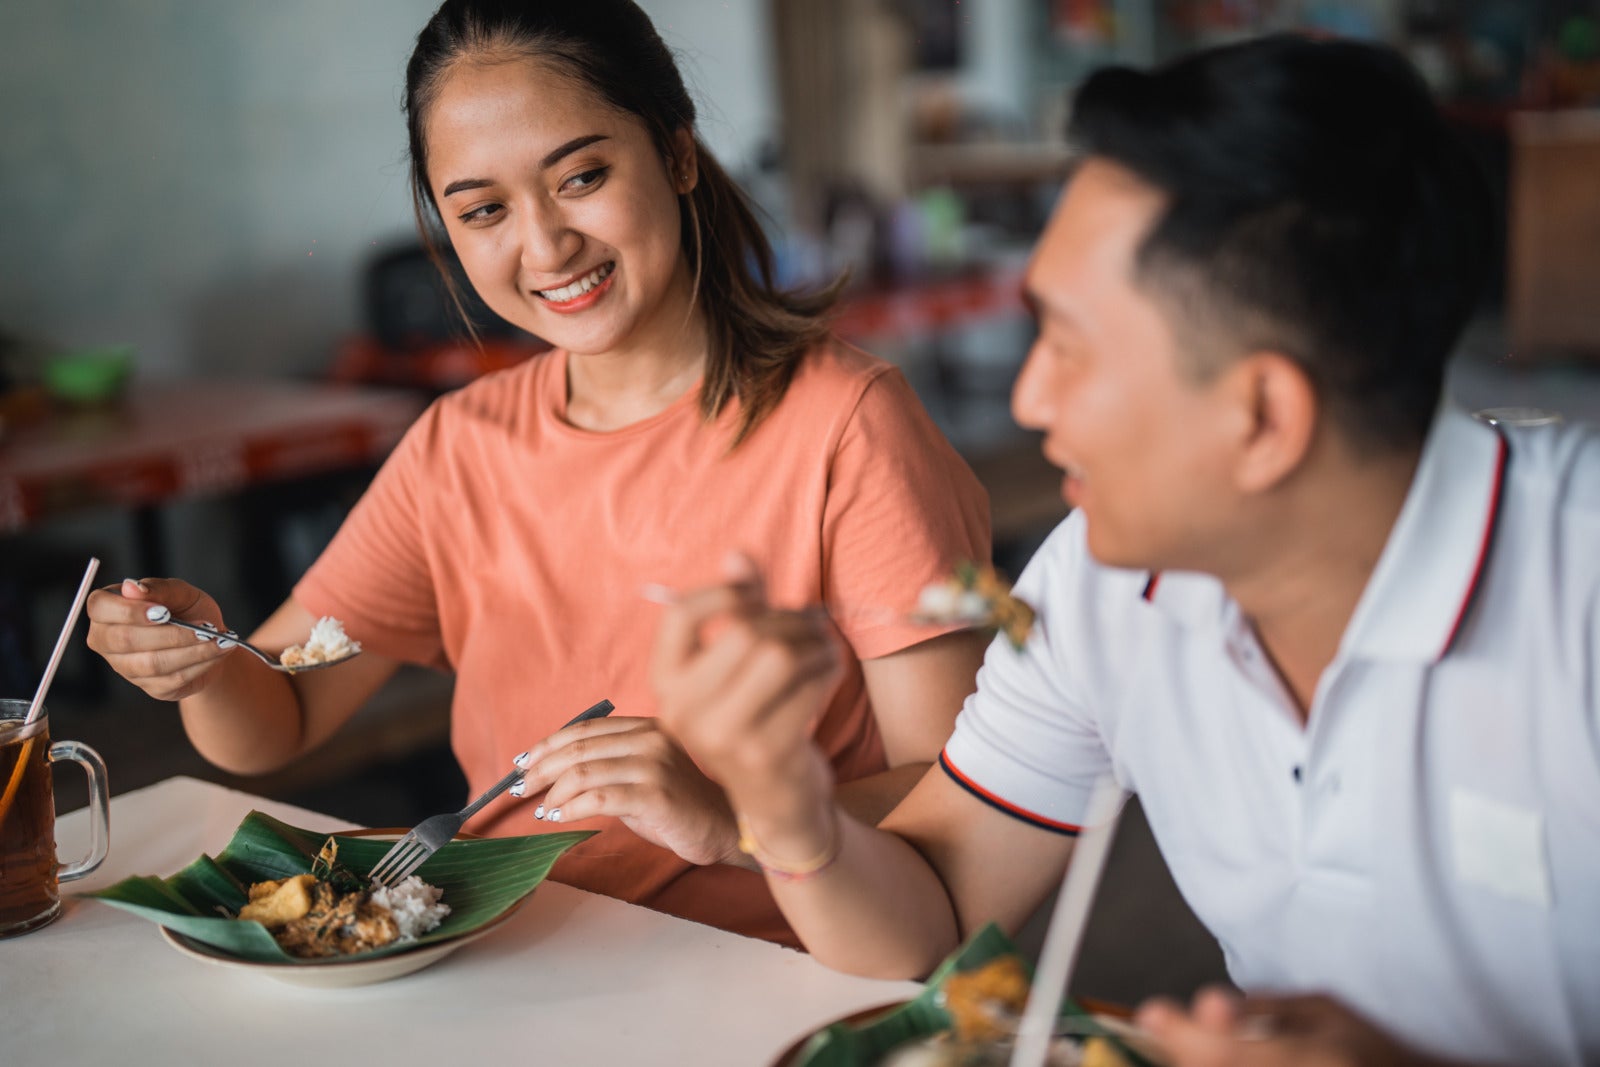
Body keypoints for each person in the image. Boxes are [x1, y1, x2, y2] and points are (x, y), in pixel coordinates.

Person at [652, 33, 1600, 1067]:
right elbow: (932, 918)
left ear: (1261, 416)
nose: (1028, 398)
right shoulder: (1103, 586)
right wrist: (786, 810)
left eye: (1069, 346)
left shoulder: (1574, 591)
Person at [84, 0, 991, 948]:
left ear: (678, 155)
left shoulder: (846, 426)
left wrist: (733, 818)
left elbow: (961, 785)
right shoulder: (460, 448)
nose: (547, 246)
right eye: (484, 211)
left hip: (755, 975)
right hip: (507, 956)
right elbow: (278, 718)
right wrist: (202, 662)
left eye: (583, 176)